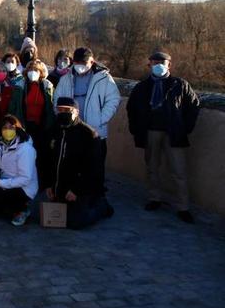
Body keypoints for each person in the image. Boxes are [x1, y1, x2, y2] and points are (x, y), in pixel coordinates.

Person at [127, 51, 200, 223]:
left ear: (169, 65)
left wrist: (185, 128)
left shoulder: (180, 85)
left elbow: (193, 106)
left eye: (162, 62)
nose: (158, 65)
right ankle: (154, 198)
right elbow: (132, 110)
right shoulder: (141, 87)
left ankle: (183, 207)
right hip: (151, 131)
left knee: (179, 170)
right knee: (152, 167)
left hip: (174, 132)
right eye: (154, 62)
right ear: (149, 65)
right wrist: (136, 130)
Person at [53, 47, 120, 196]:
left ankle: (97, 196)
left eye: (84, 63)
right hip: (71, 129)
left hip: (94, 130)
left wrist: (101, 119)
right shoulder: (67, 78)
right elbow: (57, 99)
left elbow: (114, 100)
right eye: (77, 63)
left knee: (95, 164)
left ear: (92, 61)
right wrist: (61, 116)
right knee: (72, 163)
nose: (80, 66)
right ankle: (72, 192)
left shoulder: (103, 78)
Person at [45, 97, 114, 229]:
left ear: (76, 111)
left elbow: (93, 169)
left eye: (67, 110)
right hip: (60, 189)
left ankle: (101, 207)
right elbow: (48, 160)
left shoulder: (89, 135)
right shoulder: (54, 130)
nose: (62, 112)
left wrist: (77, 190)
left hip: (79, 190)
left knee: (75, 222)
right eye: (59, 110)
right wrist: (48, 184)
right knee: (56, 217)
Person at [8, 59, 55, 186]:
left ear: (41, 72)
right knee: (24, 155)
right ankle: (23, 180)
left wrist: (50, 126)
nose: (32, 73)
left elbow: (51, 108)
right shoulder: (20, 86)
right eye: (30, 70)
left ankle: (40, 182)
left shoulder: (47, 86)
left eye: (36, 70)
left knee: (41, 155)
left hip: (41, 126)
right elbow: (13, 106)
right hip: (24, 125)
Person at [0, 115, 38, 227]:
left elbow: (25, 179)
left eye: (11, 127)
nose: (7, 130)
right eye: (4, 128)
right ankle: (10, 207)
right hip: (6, 182)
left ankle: (23, 209)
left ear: (18, 129)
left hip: (23, 188)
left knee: (4, 200)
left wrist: (0, 183)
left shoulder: (25, 149)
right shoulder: (1, 146)